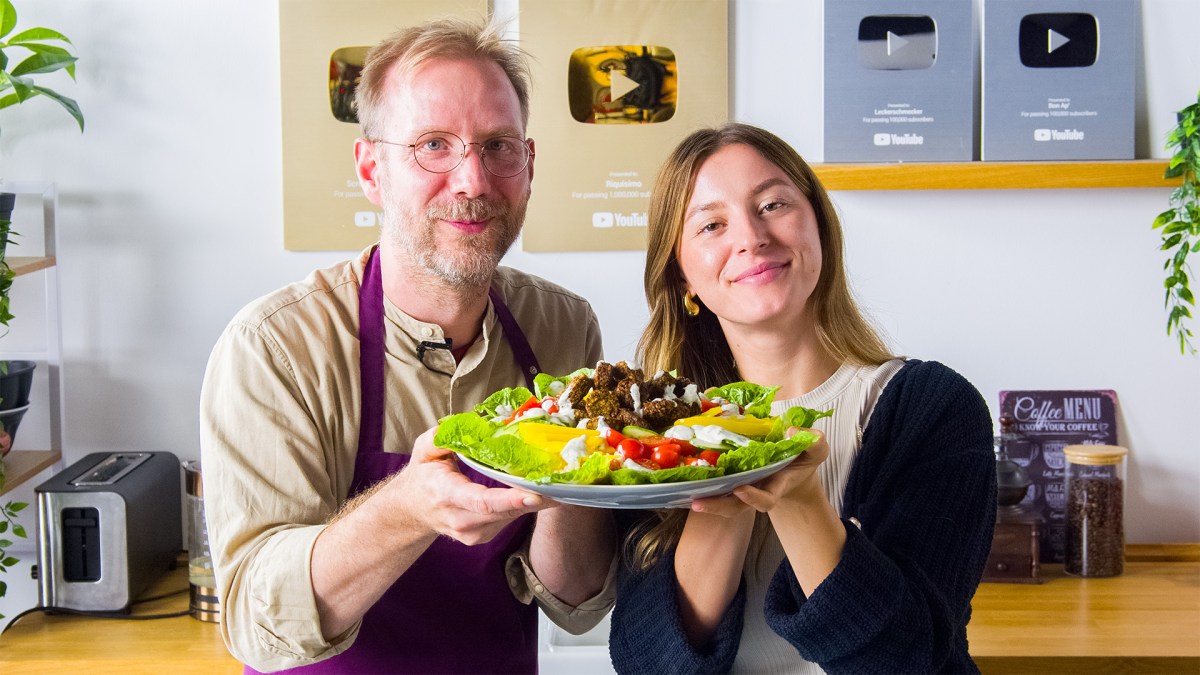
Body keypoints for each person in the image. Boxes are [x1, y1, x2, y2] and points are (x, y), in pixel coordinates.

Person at [199, 17, 617, 674]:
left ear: (529, 166)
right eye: (433, 145)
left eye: (498, 146)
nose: (474, 181)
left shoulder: (562, 328)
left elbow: (573, 604)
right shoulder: (276, 348)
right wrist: (409, 506)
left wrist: (571, 481)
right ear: (372, 170)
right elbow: (255, 622)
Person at [607, 123, 997, 674]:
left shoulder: (933, 408)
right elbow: (648, 665)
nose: (750, 237)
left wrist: (798, 496)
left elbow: (905, 659)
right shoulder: (650, 437)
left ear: (819, 227)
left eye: (772, 204)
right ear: (682, 279)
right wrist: (722, 479)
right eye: (712, 224)